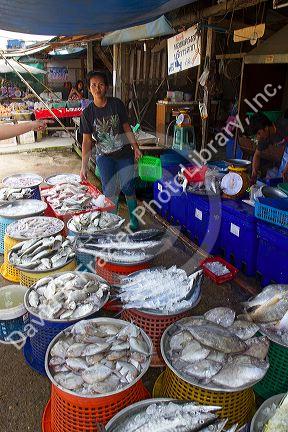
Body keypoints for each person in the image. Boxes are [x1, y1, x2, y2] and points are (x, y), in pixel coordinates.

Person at [80, 70, 142, 231]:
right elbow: (86, 141)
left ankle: (134, 222)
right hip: (104, 157)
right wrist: (83, 166)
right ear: (89, 88)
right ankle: (112, 225)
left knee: (128, 187)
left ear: (106, 87)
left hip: (124, 154)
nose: (97, 88)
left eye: (101, 84)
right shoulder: (87, 113)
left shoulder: (116, 104)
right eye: (93, 85)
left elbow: (126, 127)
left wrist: (135, 147)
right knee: (110, 192)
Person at [248, 112, 288, 182]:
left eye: (259, 133)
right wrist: (254, 173)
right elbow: (257, 154)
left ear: (266, 128)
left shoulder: (284, 126)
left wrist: (286, 169)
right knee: (281, 179)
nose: (258, 137)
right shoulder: (265, 137)